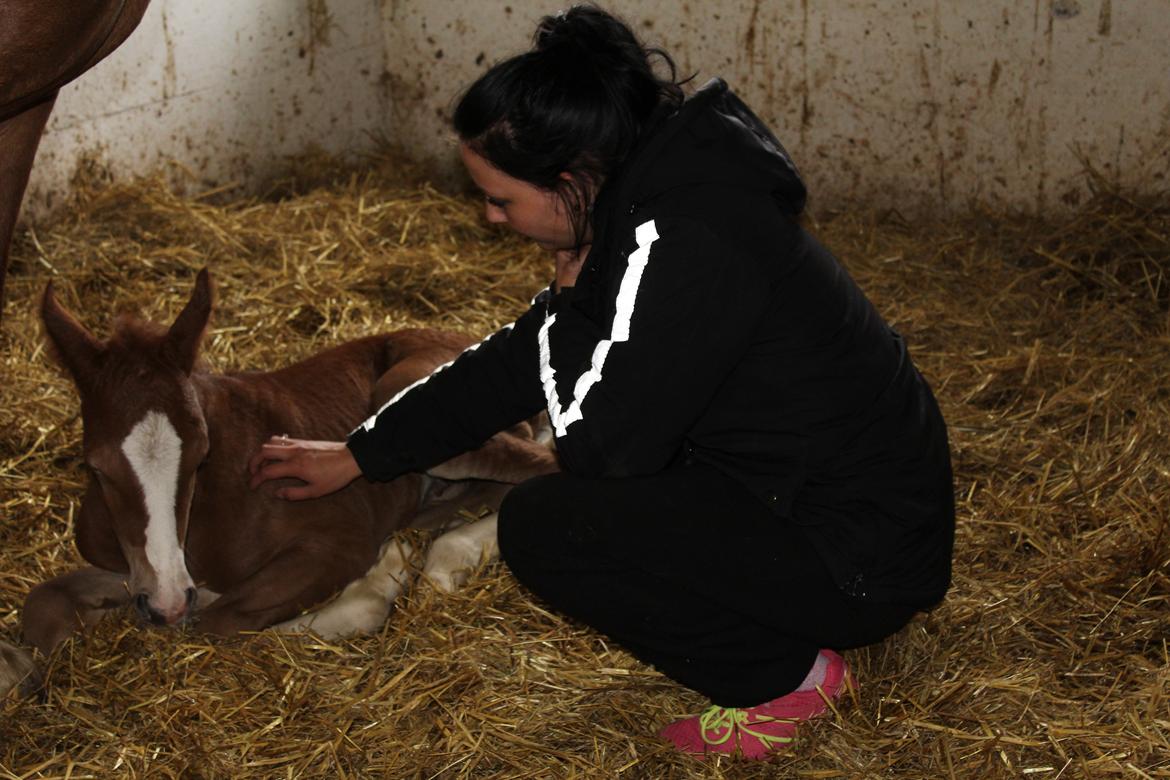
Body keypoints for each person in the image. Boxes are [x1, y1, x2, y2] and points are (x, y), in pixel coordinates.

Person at [248, 4, 955, 761]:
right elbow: (512, 364)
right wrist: (360, 454)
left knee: (550, 526)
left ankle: (786, 680)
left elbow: (600, 452)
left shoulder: (687, 236)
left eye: (499, 199)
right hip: (809, 503)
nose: (490, 218)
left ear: (567, 182)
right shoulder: (653, 200)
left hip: (856, 561)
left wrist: (569, 317)